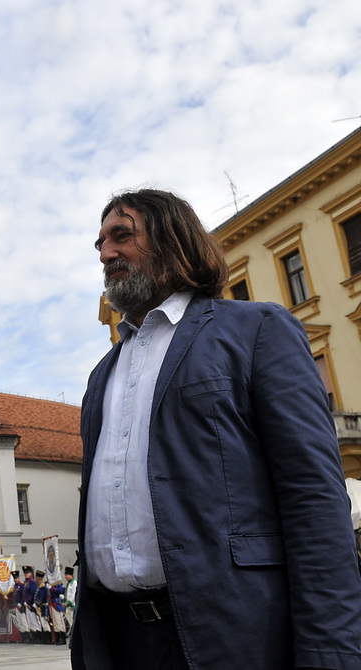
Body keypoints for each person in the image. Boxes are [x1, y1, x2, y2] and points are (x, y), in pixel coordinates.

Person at [73, 187, 361, 670]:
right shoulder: (103, 373)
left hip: (235, 634)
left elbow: (312, 497)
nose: (106, 253)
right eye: (99, 244)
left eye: (121, 236)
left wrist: (329, 651)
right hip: (118, 640)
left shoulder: (255, 329)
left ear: (173, 240)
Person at [62, 567, 77, 632]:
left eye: (67, 575)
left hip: (72, 606)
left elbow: (74, 595)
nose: (65, 577)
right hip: (68, 606)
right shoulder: (69, 583)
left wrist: (68, 603)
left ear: (71, 575)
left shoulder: (74, 583)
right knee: (70, 622)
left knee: (73, 622)